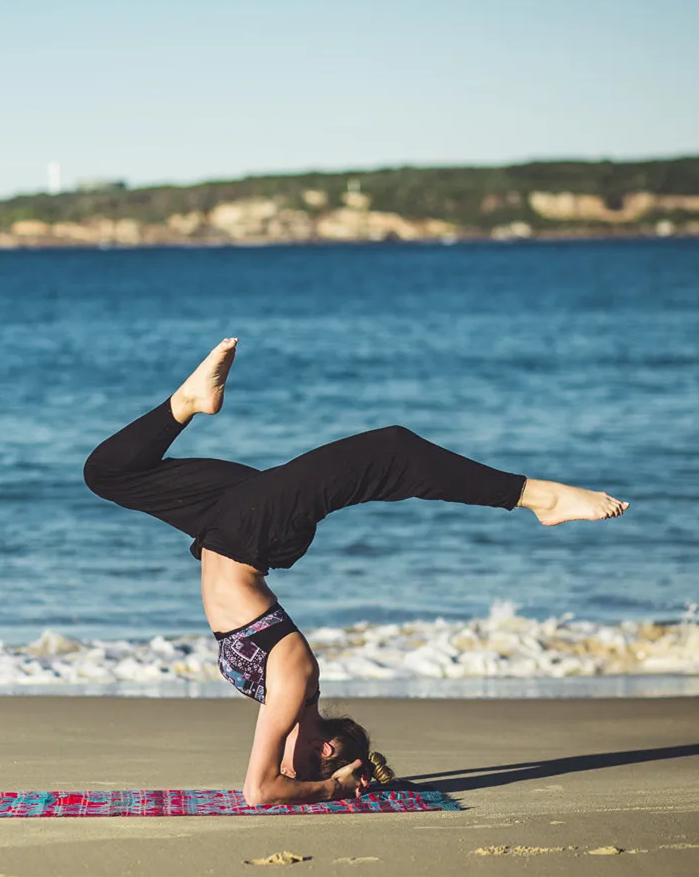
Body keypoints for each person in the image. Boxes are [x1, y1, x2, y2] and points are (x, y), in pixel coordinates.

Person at [83, 339, 628, 806]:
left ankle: (187, 402)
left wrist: (340, 781)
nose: (282, 762)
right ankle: (540, 497)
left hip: (225, 524)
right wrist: (332, 789)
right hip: (252, 533)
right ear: (325, 748)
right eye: (298, 765)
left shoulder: (282, 698)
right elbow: (261, 790)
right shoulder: (294, 680)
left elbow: (265, 784)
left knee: (108, 473)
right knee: (392, 448)